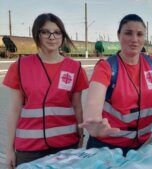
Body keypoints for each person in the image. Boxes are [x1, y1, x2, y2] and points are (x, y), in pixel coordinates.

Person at [2, 13, 89, 168]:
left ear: (63, 36)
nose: (52, 37)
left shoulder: (75, 68)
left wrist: (81, 139)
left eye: (57, 32)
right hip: (29, 149)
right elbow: (14, 110)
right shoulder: (20, 66)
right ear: (37, 34)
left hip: (66, 145)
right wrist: (9, 150)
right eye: (45, 32)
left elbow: (77, 108)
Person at [79, 14, 152, 155]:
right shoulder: (106, 68)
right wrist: (94, 124)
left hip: (144, 146)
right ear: (119, 35)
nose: (134, 39)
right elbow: (93, 104)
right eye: (128, 33)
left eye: (140, 34)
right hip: (108, 147)